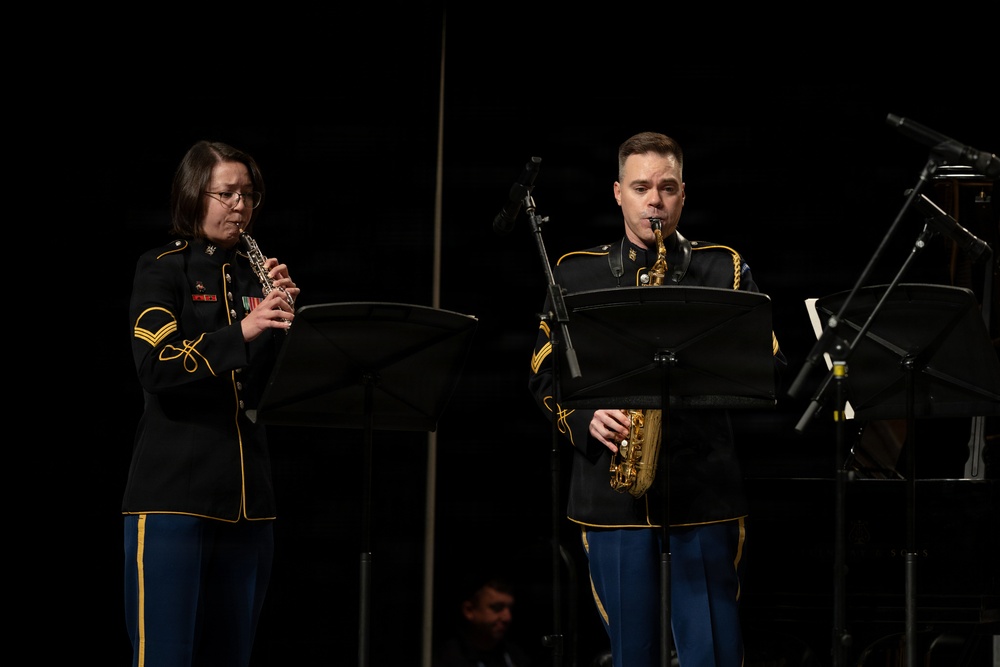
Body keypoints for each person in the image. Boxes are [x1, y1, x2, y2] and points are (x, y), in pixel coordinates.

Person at [528, 131, 784, 666]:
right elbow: (543, 375)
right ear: (616, 193)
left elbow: (771, 365)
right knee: (632, 654)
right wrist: (583, 418)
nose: (654, 201)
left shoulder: (724, 267)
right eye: (641, 187)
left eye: (666, 188)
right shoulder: (575, 272)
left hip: (703, 492)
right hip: (611, 498)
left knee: (711, 652)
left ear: (683, 195)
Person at [123, 140, 300, 667]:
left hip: (249, 502)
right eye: (225, 194)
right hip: (173, 495)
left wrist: (291, 324)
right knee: (166, 658)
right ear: (193, 196)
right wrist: (242, 331)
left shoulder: (255, 278)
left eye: (247, 195)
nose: (239, 206)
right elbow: (156, 367)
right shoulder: (161, 268)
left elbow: (275, 388)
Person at [434, 575, 532, 667]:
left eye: (510, 609)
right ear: (469, 610)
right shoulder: (448, 658)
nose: (507, 617)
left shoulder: (515, 656)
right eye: (497, 608)